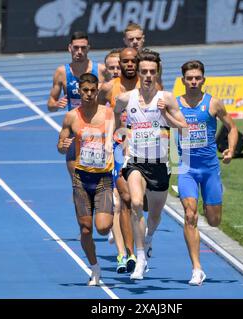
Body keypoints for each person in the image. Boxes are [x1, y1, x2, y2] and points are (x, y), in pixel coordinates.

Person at [114, 50, 188, 280]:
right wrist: (122, 136)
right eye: (144, 71)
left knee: (154, 216)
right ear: (137, 72)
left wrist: (166, 116)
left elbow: (183, 128)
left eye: (152, 72)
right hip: (136, 162)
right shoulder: (127, 98)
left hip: (160, 165)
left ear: (158, 73)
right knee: (136, 202)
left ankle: (148, 239)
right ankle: (139, 258)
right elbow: (116, 115)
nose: (147, 76)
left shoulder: (166, 98)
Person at [176, 60, 238, 285]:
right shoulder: (174, 105)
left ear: (203, 79)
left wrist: (230, 150)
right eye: (189, 78)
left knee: (213, 221)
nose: (193, 82)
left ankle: (207, 202)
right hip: (186, 169)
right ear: (183, 80)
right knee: (190, 215)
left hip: (210, 169)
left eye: (197, 78)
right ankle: (196, 268)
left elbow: (232, 128)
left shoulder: (213, 104)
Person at [57, 73, 115, 286]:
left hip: (103, 179)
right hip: (81, 178)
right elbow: (61, 143)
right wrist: (62, 147)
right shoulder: (72, 116)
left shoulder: (108, 114)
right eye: (85, 91)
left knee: (102, 227)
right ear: (79, 92)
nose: (89, 94)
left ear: (97, 91)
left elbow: (120, 136)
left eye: (93, 91)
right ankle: (95, 268)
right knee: (85, 229)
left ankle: (113, 210)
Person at [99, 47, 141, 274]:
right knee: (122, 200)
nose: (127, 65)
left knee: (140, 203)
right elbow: (94, 111)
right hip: (118, 148)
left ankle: (144, 241)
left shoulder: (148, 86)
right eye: (123, 62)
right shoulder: (108, 89)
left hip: (146, 148)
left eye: (132, 61)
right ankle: (126, 254)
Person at [48, 31, 106, 180]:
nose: (79, 51)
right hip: (75, 129)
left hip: (98, 128)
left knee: (102, 181)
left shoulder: (100, 70)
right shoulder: (62, 72)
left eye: (83, 48)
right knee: (78, 183)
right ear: (70, 48)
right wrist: (57, 104)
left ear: (88, 48)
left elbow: (113, 94)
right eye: (76, 48)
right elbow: (50, 104)